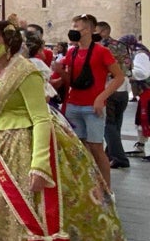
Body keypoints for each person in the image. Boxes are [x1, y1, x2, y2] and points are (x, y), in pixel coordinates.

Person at [0, 19, 132, 241]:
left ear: (8, 43)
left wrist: (40, 165)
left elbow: (41, 119)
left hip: (24, 145)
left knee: (28, 212)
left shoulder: (26, 72)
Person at [54, 14, 124, 187]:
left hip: (93, 108)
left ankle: (107, 189)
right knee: (79, 148)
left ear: (89, 30)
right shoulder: (72, 52)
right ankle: (86, 185)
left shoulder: (102, 51)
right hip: (73, 106)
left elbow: (119, 77)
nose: (74, 30)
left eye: (77, 27)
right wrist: (58, 72)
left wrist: (101, 98)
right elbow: (71, 80)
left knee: (96, 148)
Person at [96, 21, 131, 168]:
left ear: (104, 31)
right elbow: (129, 65)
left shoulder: (101, 47)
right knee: (116, 124)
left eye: (96, 31)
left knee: (108, 125)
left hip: (109, 88)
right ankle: (111, 154)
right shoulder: (122, 45)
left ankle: (119, 157)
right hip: (123, 88)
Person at [120, 34, 150, 158]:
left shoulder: (140, 54)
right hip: (143, 92)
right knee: (142, 119)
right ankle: (140, 146)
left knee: (147, 118)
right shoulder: (135, 53)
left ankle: (141, 146)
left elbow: (142, 73)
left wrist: (125, 72)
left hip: (147, 91)